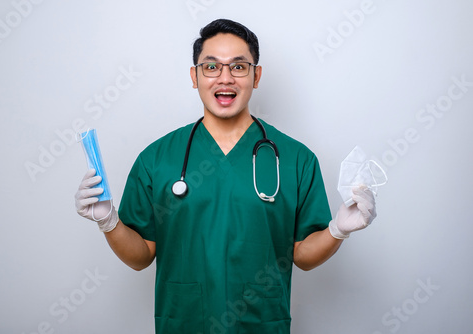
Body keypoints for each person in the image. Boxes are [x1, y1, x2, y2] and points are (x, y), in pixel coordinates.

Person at [75, 18, 377, 334]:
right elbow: (140, 255)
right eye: (211, 67)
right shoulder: (157, 159)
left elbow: (302, 254)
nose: (225, 78)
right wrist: (109, 222)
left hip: (260, 325)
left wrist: (338, 230)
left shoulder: (295, 159)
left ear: (256, 75)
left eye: (238, 67)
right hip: (185, 323)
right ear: (194, 76)